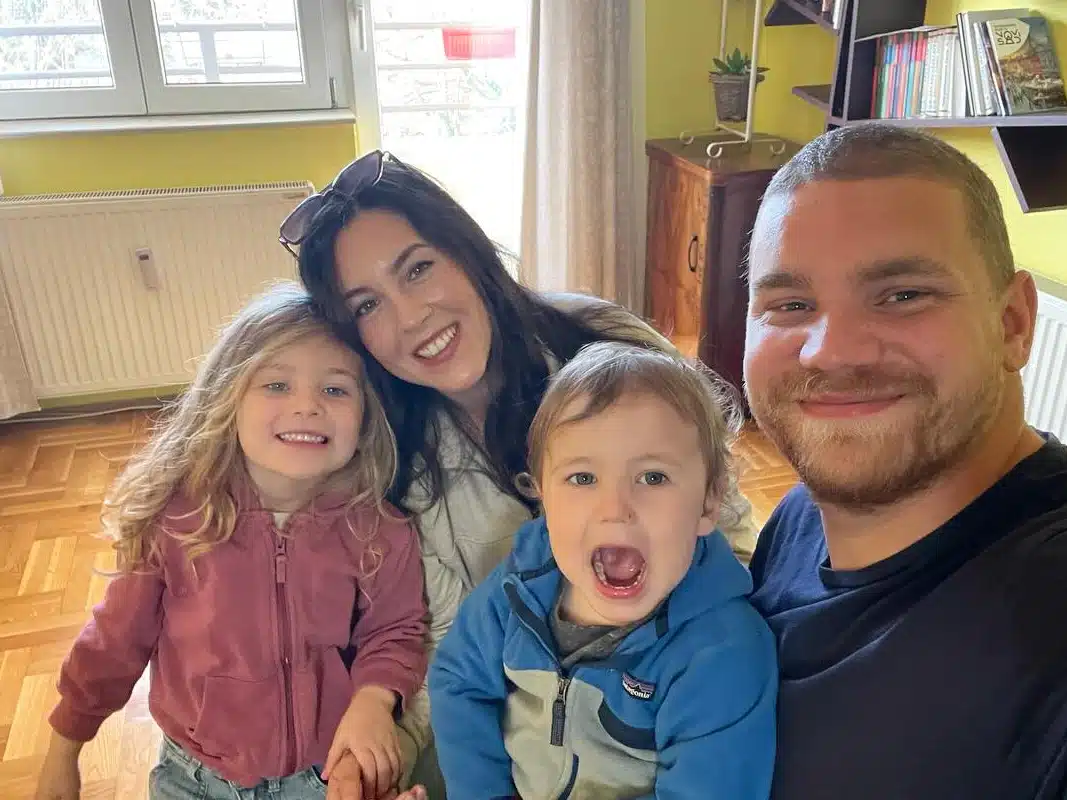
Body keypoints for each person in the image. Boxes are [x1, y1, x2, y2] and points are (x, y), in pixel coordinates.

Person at [283, 149, 761, 790]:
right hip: (511, 737)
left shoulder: (601, 344)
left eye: (418, 269)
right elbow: (452, 648)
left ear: (468, 251)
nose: (411, 315)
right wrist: (384, 730)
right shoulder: (399, 458)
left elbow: (725, 529)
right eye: (367, 305)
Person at [743, 122, 1067, 800]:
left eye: (901, 295)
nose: (830, 352)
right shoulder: (798, 519)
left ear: (1011, 322)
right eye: (790, 304)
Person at [34, 282, 428, 800]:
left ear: (366, 415)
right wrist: (63, 750)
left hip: (327, 774)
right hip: (194, 777)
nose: (307, 406)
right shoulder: (177, 518)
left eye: (335, 389)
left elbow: (396, 630)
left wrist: (374, 702)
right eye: (277, 386)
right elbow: (114, 642)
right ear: (228, 398)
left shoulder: (379, 529)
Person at [427, 342, 777, 799]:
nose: (615, 511)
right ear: (543, 499)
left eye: (652, 477)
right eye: (583, 479)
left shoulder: (723, 653)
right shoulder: (519, 588)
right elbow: (457, 680)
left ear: (709, 501)